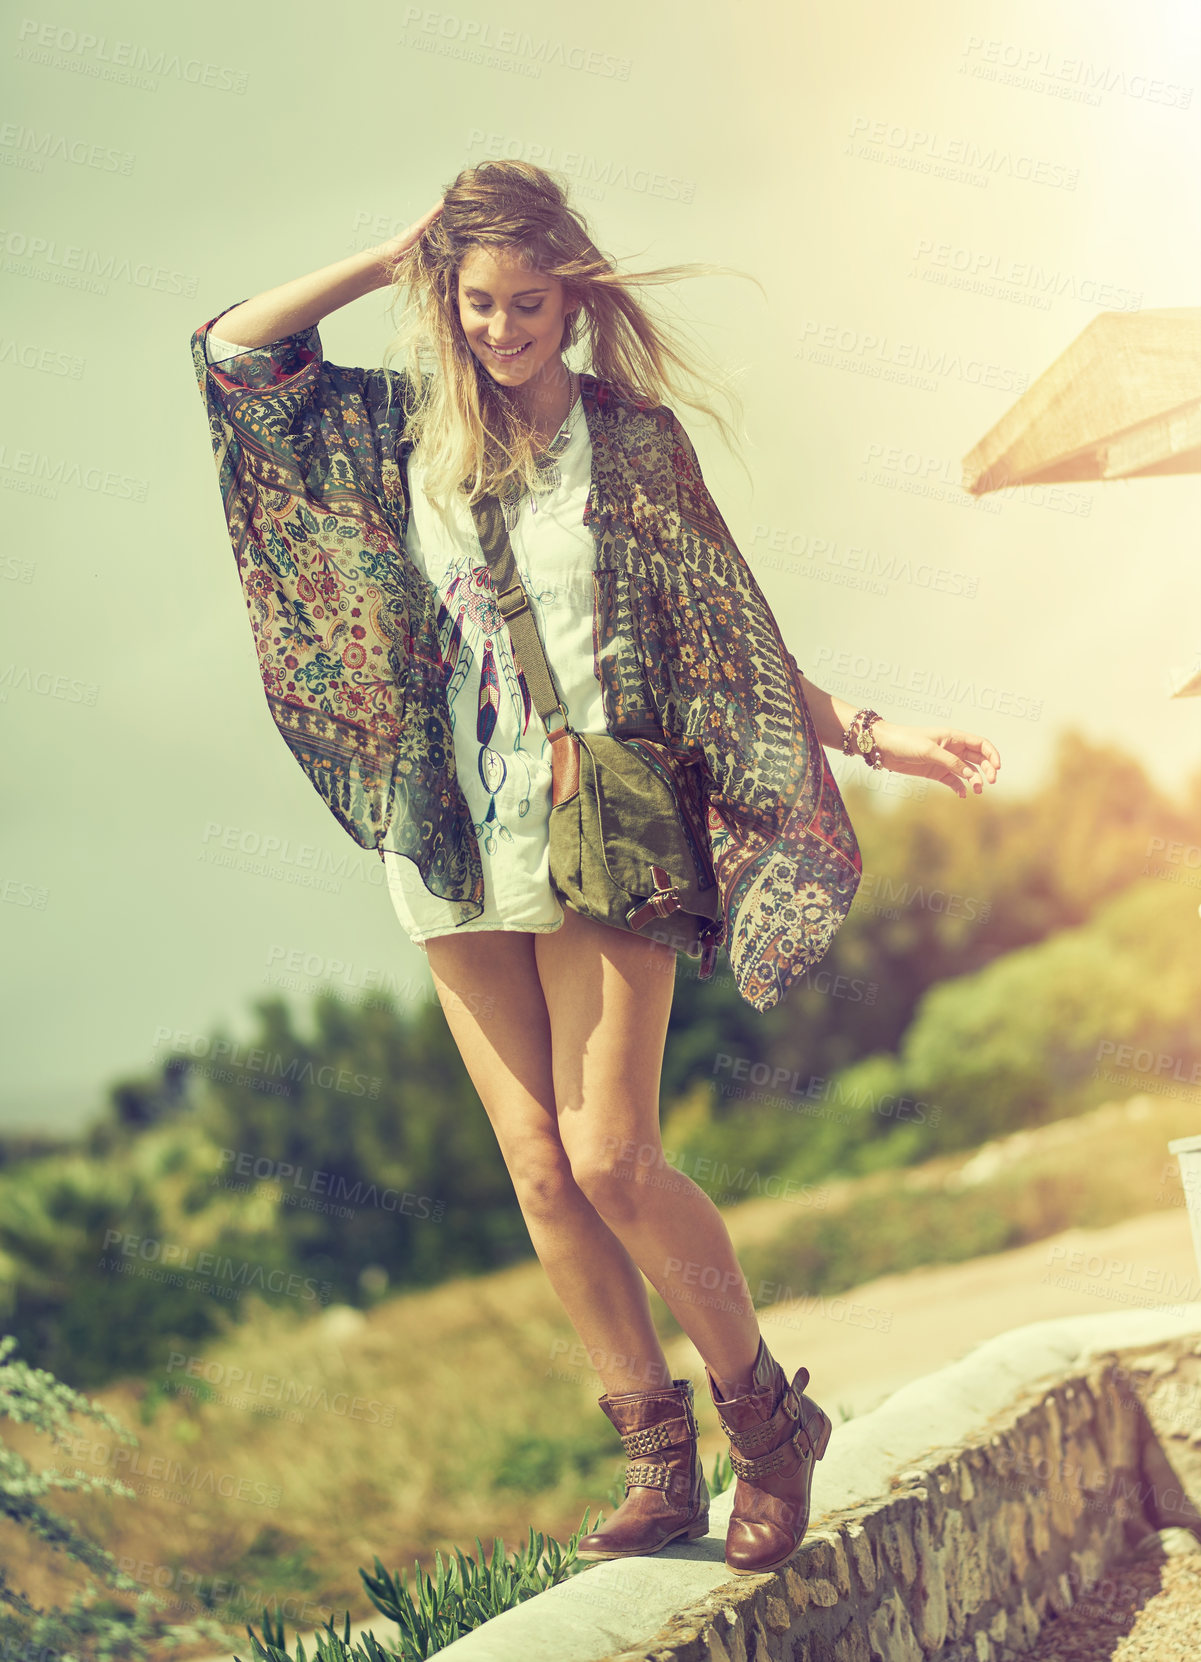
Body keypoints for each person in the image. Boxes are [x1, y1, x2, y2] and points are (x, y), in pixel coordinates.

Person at [192, 160, 1000, 1579]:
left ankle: (766, 1418)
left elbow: (726, 634)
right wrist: (391, 257)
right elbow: (235, 355)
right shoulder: (396, 432)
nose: (501, 329)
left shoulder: (630, 443)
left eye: (527, 303)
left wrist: (874, 732)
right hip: (454, 830)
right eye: (477, 302)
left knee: (613, 1154)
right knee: (539, 1172)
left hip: (607, 817)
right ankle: (653, 1456)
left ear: (575, 299)